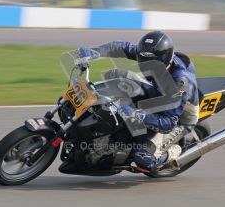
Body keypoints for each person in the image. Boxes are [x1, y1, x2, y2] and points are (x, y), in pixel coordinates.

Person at [77, 31, 199, 171]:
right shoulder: (150, 54)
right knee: (116, 76)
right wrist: (94, 51)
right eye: (143, 61)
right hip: (157, 92)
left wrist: (139, 116)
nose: (146, 66)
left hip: (179, 116)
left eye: (152, 64)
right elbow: (121, 46)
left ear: (165, 61)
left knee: (143, 158)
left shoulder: (180, 83)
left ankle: (174, 153)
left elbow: (168, 123)